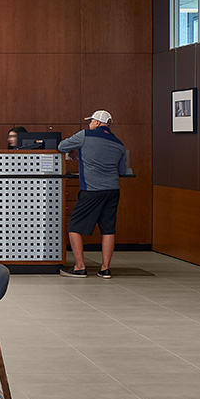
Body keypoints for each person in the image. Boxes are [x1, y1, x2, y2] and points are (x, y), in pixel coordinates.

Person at [59, 110, 128, 279]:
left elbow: (62, 146)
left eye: (90, 121)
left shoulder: (85, 135)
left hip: (91, 189)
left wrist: (77, 150)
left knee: (74, 226)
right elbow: (122, 170)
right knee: (108, 229)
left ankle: (80, 267)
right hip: (112, 190)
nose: (89, 124)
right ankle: (105, 269)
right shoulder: (119, 144)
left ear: (97, 122)